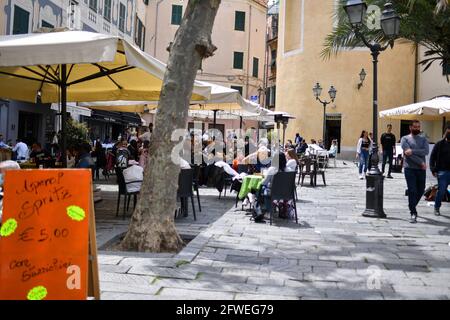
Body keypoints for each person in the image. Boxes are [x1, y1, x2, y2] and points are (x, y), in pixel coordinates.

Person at [401, 120, 429, 223]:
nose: (417, 128)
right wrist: (421, 162)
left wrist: (412, 151)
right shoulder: (405, 139)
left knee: (421, 190)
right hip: (410, 169)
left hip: (421, 170)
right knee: (412, 190)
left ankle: (411, 205)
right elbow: (408, 155)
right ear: (410, 127)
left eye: (418, 127)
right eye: (415, 127)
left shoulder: (423, 139)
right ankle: (413, 212)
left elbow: (425, 151)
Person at [429, 125, 450, 216]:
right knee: (441, 191)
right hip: (442, 171)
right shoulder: (439, 144)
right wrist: (433, 169)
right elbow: (432, 157)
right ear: (445, 133)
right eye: (448, 132)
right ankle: (437, 207)